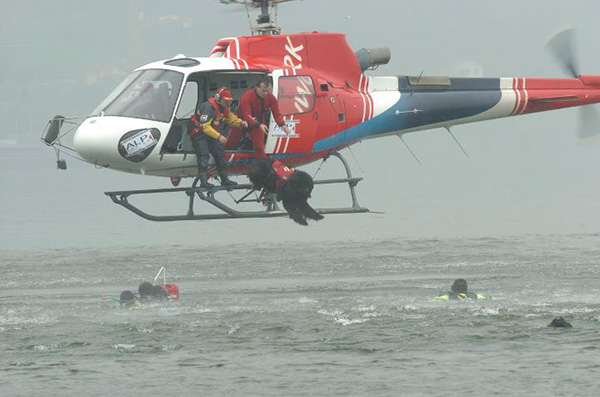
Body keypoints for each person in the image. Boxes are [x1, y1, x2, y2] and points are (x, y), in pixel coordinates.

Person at [190, 87, 248, 188]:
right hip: (199, 133)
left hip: (211, 133)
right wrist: (219, 136)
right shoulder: (208, 107)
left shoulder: (224, 108)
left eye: (228, 101)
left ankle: (224, 179)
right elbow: (204, 126)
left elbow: (230, 118)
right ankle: (203, 181)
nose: (227, 103)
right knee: (203, 155)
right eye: (225, 101)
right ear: (218, 98)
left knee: (220, 153)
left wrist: (240, 123)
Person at [226, 78, 290, 158]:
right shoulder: (247, 97)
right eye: (263, 91)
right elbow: (247, 115)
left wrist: (282, 125)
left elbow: (277, 114)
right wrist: (259, 125)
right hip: (241, 121)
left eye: (267, 91)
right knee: (230, 144)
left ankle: (263, 166)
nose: (265, 93)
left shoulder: (271, 98)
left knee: (259, 147)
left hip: (258, 123)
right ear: (256, 88)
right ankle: (224, 164)